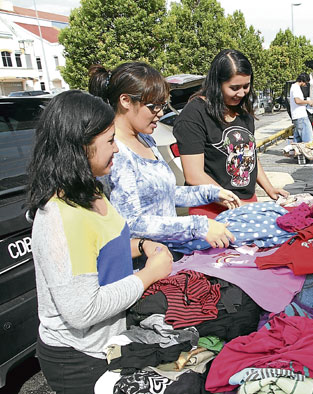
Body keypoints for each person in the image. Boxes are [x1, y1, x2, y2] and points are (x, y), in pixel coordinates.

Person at [27, 90, 173, 393]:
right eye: (109, 141)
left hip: (108, 342)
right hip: (80, 359)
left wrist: (142, 245)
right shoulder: (60, 217)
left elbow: (101, 249)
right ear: (80, 148)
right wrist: (148, 274)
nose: (117, 149)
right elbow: (83, 310)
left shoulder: (91, 189)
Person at [89, 62, 240, 250]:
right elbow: (132, 222)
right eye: (153, 106)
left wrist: (211, 193)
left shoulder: (145, 139)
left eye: (163, 105)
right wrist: (198, 226)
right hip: (147, 263)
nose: (160, 113)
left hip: (168, 254)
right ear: (126, 101)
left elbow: (165, 193)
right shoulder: (117, 153)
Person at [173, 49, 288, 218]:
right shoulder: (195, 114)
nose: (241, 93)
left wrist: (268, 188)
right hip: (211, 209)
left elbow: (250, 154)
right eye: (234, 88)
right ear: (216, 84)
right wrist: (234, 202)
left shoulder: (243, 111)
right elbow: (194, 175)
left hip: (246, 203)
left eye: (246, 86)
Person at [289, 72, 313, 143]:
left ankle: (296, 153)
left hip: (298, 117)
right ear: (302, 80)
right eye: (305, 83)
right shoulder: (296, 88)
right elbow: (297, 101)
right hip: (301, 117)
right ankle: (308, 153)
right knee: (308, 139)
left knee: (298, 140)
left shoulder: (294, 87)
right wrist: (308, 102)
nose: (305, 85)